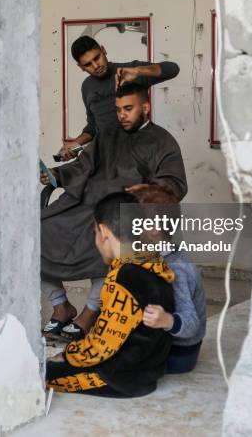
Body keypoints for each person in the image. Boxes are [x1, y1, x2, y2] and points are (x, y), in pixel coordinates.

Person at [41, 83, 187, 340]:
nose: (122, 115)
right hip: (83, 205)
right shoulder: (107, 135)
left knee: (108, 249)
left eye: (128, 109)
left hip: (124, 212)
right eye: (119, 109)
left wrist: (147, 190)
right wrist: (56, 174)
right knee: (31, 237)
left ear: (145, 107)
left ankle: (89, 313)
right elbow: (82, 166)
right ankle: (61, 306)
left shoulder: (162, 141)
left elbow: (175, 184)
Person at [46, 192, 175, 398]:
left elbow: (101, 346)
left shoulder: (125, 277)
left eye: (95, 233)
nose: (96, 241)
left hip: (118, 378)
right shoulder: (155, 263)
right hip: (146, 374)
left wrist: (66, 356)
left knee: (38, 374)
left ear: (104, 232)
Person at [58, 36, 180, 160]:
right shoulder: (87, 87)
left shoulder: (130, 71)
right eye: (88, 64)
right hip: (108, 158)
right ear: (80, 67)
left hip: (139, 154)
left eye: (97, 58)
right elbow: (92, 124)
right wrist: (77, 143)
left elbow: (173, 69)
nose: (95, 66)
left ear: (103, 50)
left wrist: (139, 71)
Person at [135, 184, 206, 374]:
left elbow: (191, 324)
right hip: (167, 345)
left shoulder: (175, 267)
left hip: (179, 354)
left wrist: (166, 320)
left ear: (154, 228)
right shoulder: (154, 254)